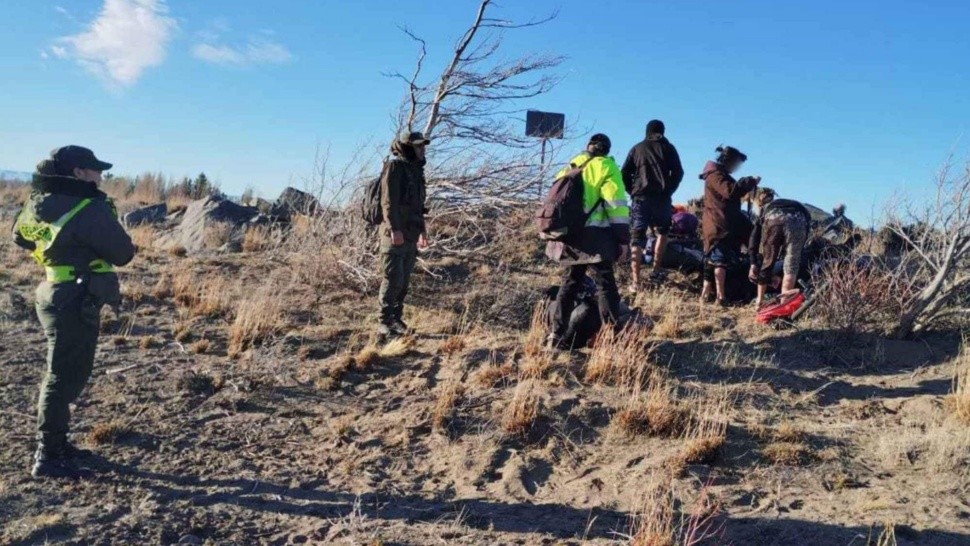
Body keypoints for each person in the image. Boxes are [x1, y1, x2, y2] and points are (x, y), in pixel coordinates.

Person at [12, 146, 135, 479]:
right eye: (94, 169)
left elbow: (20, 238)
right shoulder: (88, 207)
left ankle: (58, 446)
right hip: (75, 297)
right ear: (78, 173)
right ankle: (48, 455)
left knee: (61, 371)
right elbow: (123, 253)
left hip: (51, 291)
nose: (100, 175)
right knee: (64, 376)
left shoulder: (38, 201)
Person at [546, 134, 630, 350]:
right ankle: (612, 336)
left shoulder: (571, 166)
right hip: (597, 236)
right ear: (607, 150)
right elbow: (616, 205)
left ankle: (555, 335)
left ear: (588, 147)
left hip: (571, 236)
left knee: (570, 283)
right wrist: (623, 239)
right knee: (606, 285)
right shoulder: (607, 168)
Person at [376, 131, 430, 338]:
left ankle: (396, 318)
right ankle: (384, 322)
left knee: (404, 279)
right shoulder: (395, 167)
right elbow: (387, 202)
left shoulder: (416, 172)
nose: (422, 149)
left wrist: (422, 230)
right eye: (418, 146)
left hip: (410, 233)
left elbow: (418, 206)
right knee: (392, 278)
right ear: (407, 148)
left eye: (423, 146)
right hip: (394, 234)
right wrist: (394, 229)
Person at [621, 119, 684, 292]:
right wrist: (669, 190)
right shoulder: (669, 148)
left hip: (640, 198)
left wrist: (631, 190)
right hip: (662, 198)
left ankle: (636, 280)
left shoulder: (637, 148)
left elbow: (624, 172)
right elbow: (678, 172)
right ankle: (656, 271)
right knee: (662, 232)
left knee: (637, 236)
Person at [699, 145, 760, 306]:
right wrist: (749, 182)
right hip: (719, 224)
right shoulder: (716, 175)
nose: (737, 168)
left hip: (721, 223)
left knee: (715, 258)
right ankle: (720, 296)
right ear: (729, 161)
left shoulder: (717, 174)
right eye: (736, 164)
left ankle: (708, 292)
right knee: (719, 260)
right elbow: (730, 192)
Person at [747, 187, 812, 303]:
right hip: (799, 220)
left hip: (774, 220)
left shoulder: (764, 209)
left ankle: (759, 302)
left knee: (767, 263)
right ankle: (783, 305)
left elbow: (754, 238)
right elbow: (804, 233)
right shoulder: (796, 206)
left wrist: (753, 263)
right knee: (791, 266)